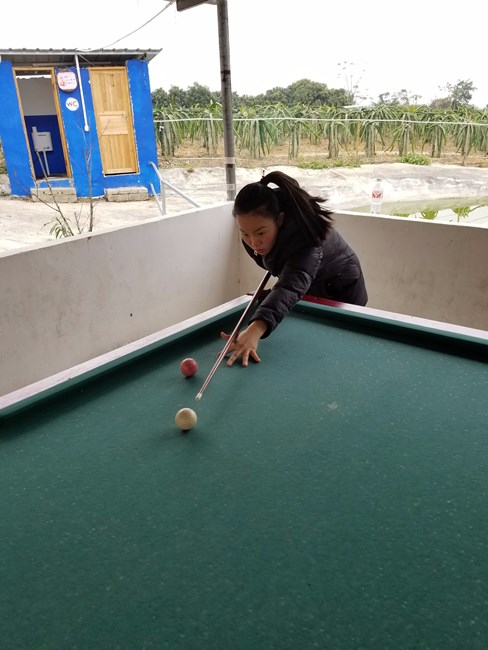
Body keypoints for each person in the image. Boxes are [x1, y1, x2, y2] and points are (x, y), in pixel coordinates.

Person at [222, 170, 368, 366]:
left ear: (280, 220)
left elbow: (292, 285)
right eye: (245, 234)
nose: (254, 242)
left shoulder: (306, 240)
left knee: (330, 356)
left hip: (341, 290)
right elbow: (288, 274)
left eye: (261, 233)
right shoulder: (257, 236)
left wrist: (255, 330)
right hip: (311, 286)